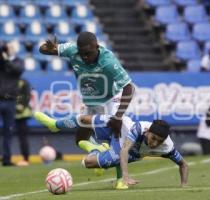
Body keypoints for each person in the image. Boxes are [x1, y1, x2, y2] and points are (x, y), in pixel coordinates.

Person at [39, 32, 135, 180]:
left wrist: (118, 116)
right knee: (80, 139)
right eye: (82, 54)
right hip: (91, 100)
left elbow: (129, 87)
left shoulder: (108, 61)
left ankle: (121, 180)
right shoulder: (72, 50)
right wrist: (49, 48)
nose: (84, 57)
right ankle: (98, 150)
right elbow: (42, 49)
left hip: (110, 99)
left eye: (88, 53)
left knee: (116, 137)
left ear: (97, 46)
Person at [34, 111, 189, 189]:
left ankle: (95, 149)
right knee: (87, 119)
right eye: (153, 138)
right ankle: (55, 124)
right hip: (122, 131)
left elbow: (183, 164)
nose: (154, 143)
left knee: (87, 163)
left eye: (159, 141)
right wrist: (127, 176)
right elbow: (124, 149)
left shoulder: (167, 147)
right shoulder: (138, 128)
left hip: (131, 154)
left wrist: (184, 185)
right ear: (148, 131)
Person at [0, 41, 24, 166]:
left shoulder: (18, 61)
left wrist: (7, 58)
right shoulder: (1, 61)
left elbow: (17, 70)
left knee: (8, 132)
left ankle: (7, 158)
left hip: (10, 101)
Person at [15, 78, 32, 166]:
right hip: (9, 113)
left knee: (23, 138)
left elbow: (27, 95)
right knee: (7, 137)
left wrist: (22, 106)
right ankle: (6, 157)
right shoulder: (7, 80)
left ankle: (25, 158)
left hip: (22, 115)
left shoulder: (23, 82)